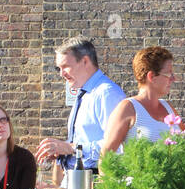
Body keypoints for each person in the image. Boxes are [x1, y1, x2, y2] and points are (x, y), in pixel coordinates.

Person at [35, 37, 128, 172]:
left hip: (96, 182)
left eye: (66, 66)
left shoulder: (106, 93)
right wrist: (61, 149)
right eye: (58, 68)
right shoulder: (86, 93)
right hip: (78, 179)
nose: (62, 74)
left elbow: (119, 146)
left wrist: (71, 148)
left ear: (85, 61)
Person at [101, 46, 179, 152]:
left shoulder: (168, 107)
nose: (173, 79)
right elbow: (105, 158)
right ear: (151, 76)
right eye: (169, 74)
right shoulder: (128, 108)